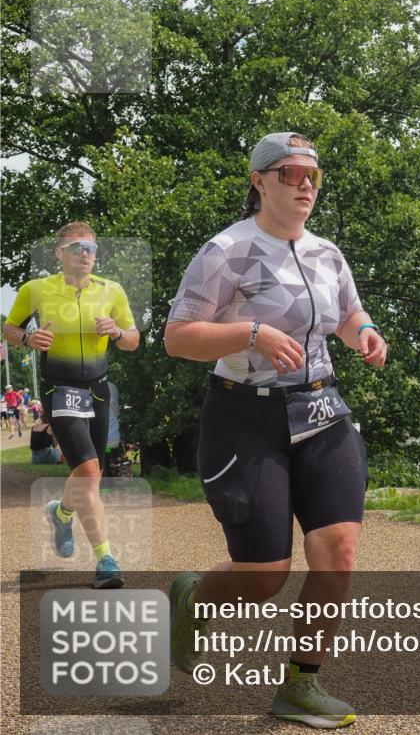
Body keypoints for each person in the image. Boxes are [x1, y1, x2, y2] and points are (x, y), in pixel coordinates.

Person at [164, 132, 387, 729]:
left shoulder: (327, 253)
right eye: (289, 174)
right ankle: (193, 597)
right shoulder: (226, 251)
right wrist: (251, 334)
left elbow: (346, 313)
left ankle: (300, 685)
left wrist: (364, 333)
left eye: (312, 175)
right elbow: (178, 337)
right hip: (245, 416)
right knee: (264, 576)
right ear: (259, 181)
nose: (305, 184)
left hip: (321, 412)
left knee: (337, 552)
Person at [2, 221, 139, 589]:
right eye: (76, 247)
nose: (84, 254)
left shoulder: (112, 291)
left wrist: (118, 333)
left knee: (86, 473)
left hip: (97, 388)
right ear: (59, 252)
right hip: (58, 387)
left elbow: (133, 340)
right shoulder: (36, 290)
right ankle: (106, 560)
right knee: (91, 472)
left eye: (90, 248)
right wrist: (29, 338)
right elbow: (10, 328)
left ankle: (61, 513)